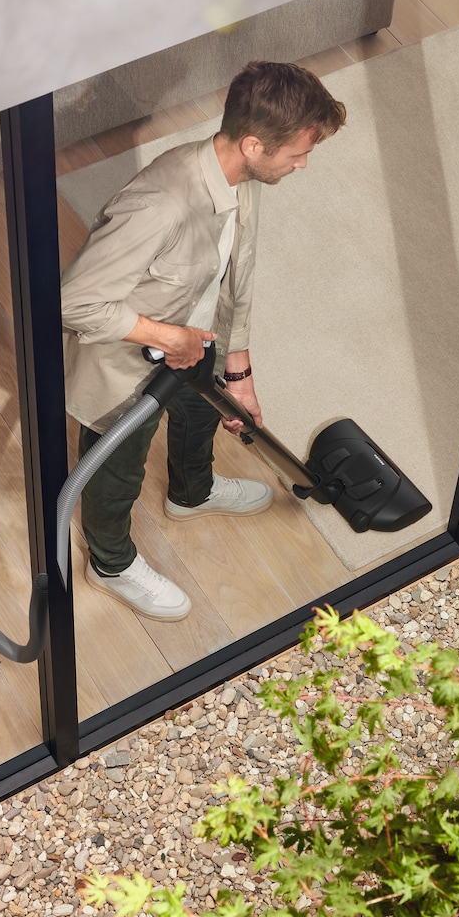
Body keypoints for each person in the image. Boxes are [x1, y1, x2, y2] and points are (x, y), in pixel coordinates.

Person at [60, 61, 346, 620]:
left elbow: (235, 272)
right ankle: (110, 561)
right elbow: (73, 302)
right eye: (297, 154)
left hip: (193, 335)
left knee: (202, 410)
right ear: (254, 144)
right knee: (118, 467)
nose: (304, 164)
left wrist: (237, 370)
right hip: (123, 363)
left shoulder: (241, 179)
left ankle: (191, 492)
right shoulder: (162, 203)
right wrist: (169, 338)